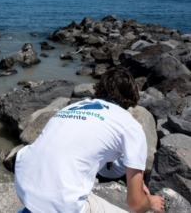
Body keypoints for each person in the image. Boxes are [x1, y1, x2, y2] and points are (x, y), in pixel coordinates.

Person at [14, 66, 165, 213]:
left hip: (22, 182)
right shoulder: (131, 126)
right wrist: (150, 201)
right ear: (132, 99)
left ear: (99, 89)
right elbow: (136, 204)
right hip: (61, 203)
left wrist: (135, 182)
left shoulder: (74, 107)